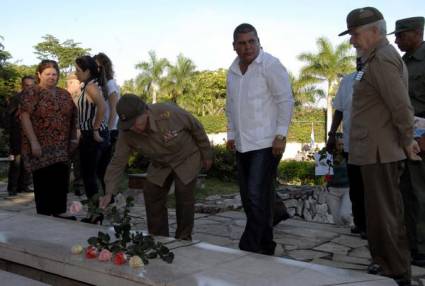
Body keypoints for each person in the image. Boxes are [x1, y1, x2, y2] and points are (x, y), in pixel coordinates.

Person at [339, 7, 421, 286]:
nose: (351, 40)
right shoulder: (371, 59)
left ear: (375, 31)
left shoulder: (383, 59)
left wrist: (408, 140)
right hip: (371, 151)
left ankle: (397, 271)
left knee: (386, 215)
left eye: (355, 33)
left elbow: (401, 106)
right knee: (377, 215)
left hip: (380, 152)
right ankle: (386, 264)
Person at [99, 94, 212, 240]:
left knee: (184, 194)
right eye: (129, 125)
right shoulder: (127, 133)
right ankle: (159, 238)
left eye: (136, 122)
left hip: (186, 157)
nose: (133, 128)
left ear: (145, 112)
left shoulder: (168, 113)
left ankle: (183, 238)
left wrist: (207, 154)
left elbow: (196, 127)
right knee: (151, 192)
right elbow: (118, 161)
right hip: (160, 162)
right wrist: (109, 192)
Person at [226, 23, 294, 255]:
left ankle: (249, 245)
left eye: (251, 41)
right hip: (243, 144)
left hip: (267, 142)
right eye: (242, 43)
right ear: (234, 46)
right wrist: (231, 134)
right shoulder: (232, 71)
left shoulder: (271, 65)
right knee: (250, 197)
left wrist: (281, 135)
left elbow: (285, 101)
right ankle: (266, 245)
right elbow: (231, 106)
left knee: (256, 194)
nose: (247, 47)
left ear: (258, 41)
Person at [20, 60, 78, 219]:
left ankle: (59, 211)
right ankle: (44, 216)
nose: (51, 77)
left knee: (60, 179)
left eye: (54, 74)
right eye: (47, 74)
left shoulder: (64, 94)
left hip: (61, 146)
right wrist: (33, 142)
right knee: (44, 182)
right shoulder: (32, 92)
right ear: (39, 74)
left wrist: (74, 138)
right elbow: (24, 116)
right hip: (40, 145)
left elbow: (74, 116)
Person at [391, 16, 425, 267]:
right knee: (406, 194)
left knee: (419, 194)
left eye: (401, 35)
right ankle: (412, 245)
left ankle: (421, 248)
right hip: (404, 137)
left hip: (421, 138)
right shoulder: (402, 63)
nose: (397, 40)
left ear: (416, 33)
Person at [326, 66, 367, 238]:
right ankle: (360, 223)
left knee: (370, 187)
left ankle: (372, 226)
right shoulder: (348, 80)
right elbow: (340, 110)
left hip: (373, 143)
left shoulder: (382, 73)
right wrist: (332, 134)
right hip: (351, 143)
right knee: (356, 186)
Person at [75, 55, 109, 223]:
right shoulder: (90, 85)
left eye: (78, 70)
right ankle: (96, 213)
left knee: (89, 176)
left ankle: (95, 214)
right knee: (92, 176)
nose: (75, 73)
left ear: (87, 71)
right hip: (91, 134)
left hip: (93, 135)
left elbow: (102, 107)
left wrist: (95, 130)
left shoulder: (91, 87)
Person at [7, 76, 35, 196]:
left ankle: (24, 185)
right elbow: (9, 116)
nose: (29, 88)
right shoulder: (16, 98)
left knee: (27, 161)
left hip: (30, 134)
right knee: (16, 162)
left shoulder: (35, 98)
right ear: (22, 86)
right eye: (27, 85)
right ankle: (12, 188)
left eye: (31, 85)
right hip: (17, 134)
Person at [325, 134, 352, 226]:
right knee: (338, 221)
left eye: (343, 144)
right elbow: (325, 175)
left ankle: (353, 226)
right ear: (334, 145)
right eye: (339, 144)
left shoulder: (350, 156)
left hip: (347, 189)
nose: (341, 147)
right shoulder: (327, 157)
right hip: (332, 191)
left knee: (345, 215)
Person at [66, 73, 83, 196]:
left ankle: (79, 187)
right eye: (69, 82)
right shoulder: (64, 96)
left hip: (77, 134)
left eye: (73, 82)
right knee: (64, 162)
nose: (70, 85)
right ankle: (64, 186)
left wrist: (77, 137)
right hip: (64, 136)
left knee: (78, 163)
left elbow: (80, 120)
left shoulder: (82, 98)